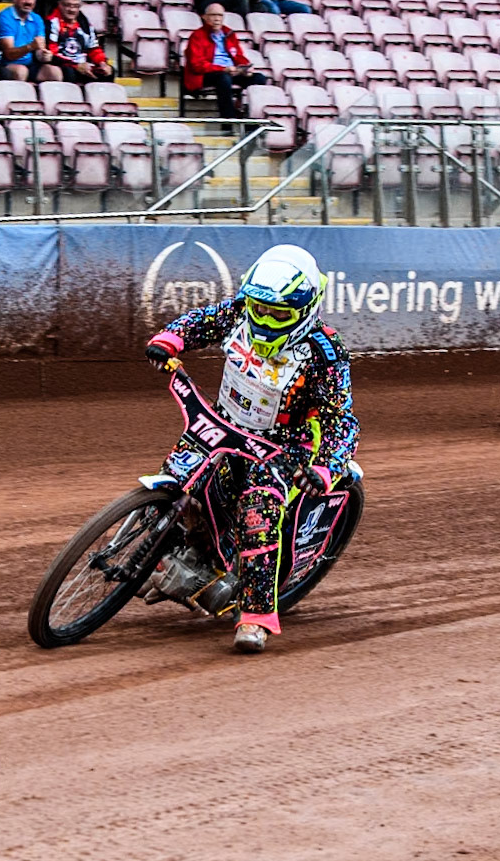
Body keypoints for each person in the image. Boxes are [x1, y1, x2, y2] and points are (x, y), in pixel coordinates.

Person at [143, 245, 359, 653]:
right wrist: (170, 339)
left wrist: (328, 467)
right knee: (181, 477)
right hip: (223, 422)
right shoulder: (241, 311)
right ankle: (167, 553)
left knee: (258, 515)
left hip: (282, 446)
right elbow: (202, 322)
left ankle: (256, 618)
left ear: (307, 307)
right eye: (259, 308)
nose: (264, 318)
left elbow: (340, 420)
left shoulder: (325, 353)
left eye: (279, 314)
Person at [184, 2, 266, 119]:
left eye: (220, 15)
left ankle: (252, 118)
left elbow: (238, 55)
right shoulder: (197, 36)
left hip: (230, 71)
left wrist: (245, 67)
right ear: (205, 17)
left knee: (259, 78)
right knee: (223, 77)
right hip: (206, 74)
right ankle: (228, 120)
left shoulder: (229, 33)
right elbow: (196, 65)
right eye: (213, 15)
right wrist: (223, 69)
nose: (217, 19)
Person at [42, 0, 112, 83]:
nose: (72, 10)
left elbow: (94, 48)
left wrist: (102, 63)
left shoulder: (84, 23)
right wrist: (76, 65)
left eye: (75, 6)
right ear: (59, 4)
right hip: (63, 65)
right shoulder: (51, 23)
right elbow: (52, 53)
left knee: (108, 72)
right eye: (67, 5)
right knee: (69, 72)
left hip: (84, 64)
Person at [0, 0, 53, 81]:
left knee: (53, 72)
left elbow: (39, 50)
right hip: (6, 64)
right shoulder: (4, 18)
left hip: (30, 64)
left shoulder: (37, 18)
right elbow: (9, 54)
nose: (28, 2)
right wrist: (30, 47)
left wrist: (44, 56)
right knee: (21, 71)